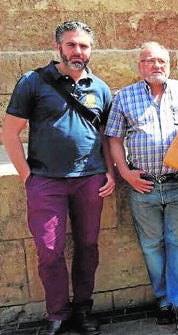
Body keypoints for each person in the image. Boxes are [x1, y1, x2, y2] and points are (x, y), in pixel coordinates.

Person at [1, 21, 115, 335]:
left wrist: (109, 171)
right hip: (45, 182)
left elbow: (107, 135)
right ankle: (57, 313)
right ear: (59, 47)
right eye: (71, 45)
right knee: (49, 251)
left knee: (88, 246)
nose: (78, 51)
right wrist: (28, 176)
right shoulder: (33, 82)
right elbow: (10, 133)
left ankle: (83, 309)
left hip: (90, 179)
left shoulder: (100, 88)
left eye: (84, 46)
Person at [104, 42, 178, 331]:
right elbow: (114, 139)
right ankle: (164, 302)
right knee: (152, 246)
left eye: (161, 61)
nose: (156, 66)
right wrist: (126, 174)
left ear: (169, 64)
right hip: (142, 186)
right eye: (149, 61)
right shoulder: (125, 97)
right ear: (140, 66)